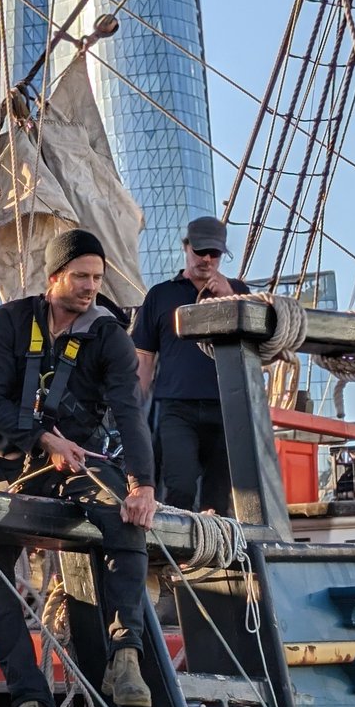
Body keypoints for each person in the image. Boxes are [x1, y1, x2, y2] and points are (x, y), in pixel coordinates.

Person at [0, 228, 157, 707]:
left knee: (125, 516)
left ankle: (124, 654)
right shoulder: (10, 322)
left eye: (97, 278)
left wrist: (142, 484)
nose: (89, 287)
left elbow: (129, 412)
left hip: (79, 463)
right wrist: (43, 439)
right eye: (80, 277)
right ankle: (31, 703)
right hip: (12, 460)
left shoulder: (109, 337)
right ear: (53, 276)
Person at [132, 216, 248, 516]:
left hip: (226, 405)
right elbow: (144, 358)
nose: (207, 259)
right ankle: (177, 553)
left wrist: (229, 297)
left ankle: (212, 556)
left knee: (218, 492)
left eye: (214, 253)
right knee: (179, 484)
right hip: (176, 406)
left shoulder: (239, 293)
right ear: (186, 247)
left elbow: (257, 346)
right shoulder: (161, 295)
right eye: (200, 251)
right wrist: (131, 407)